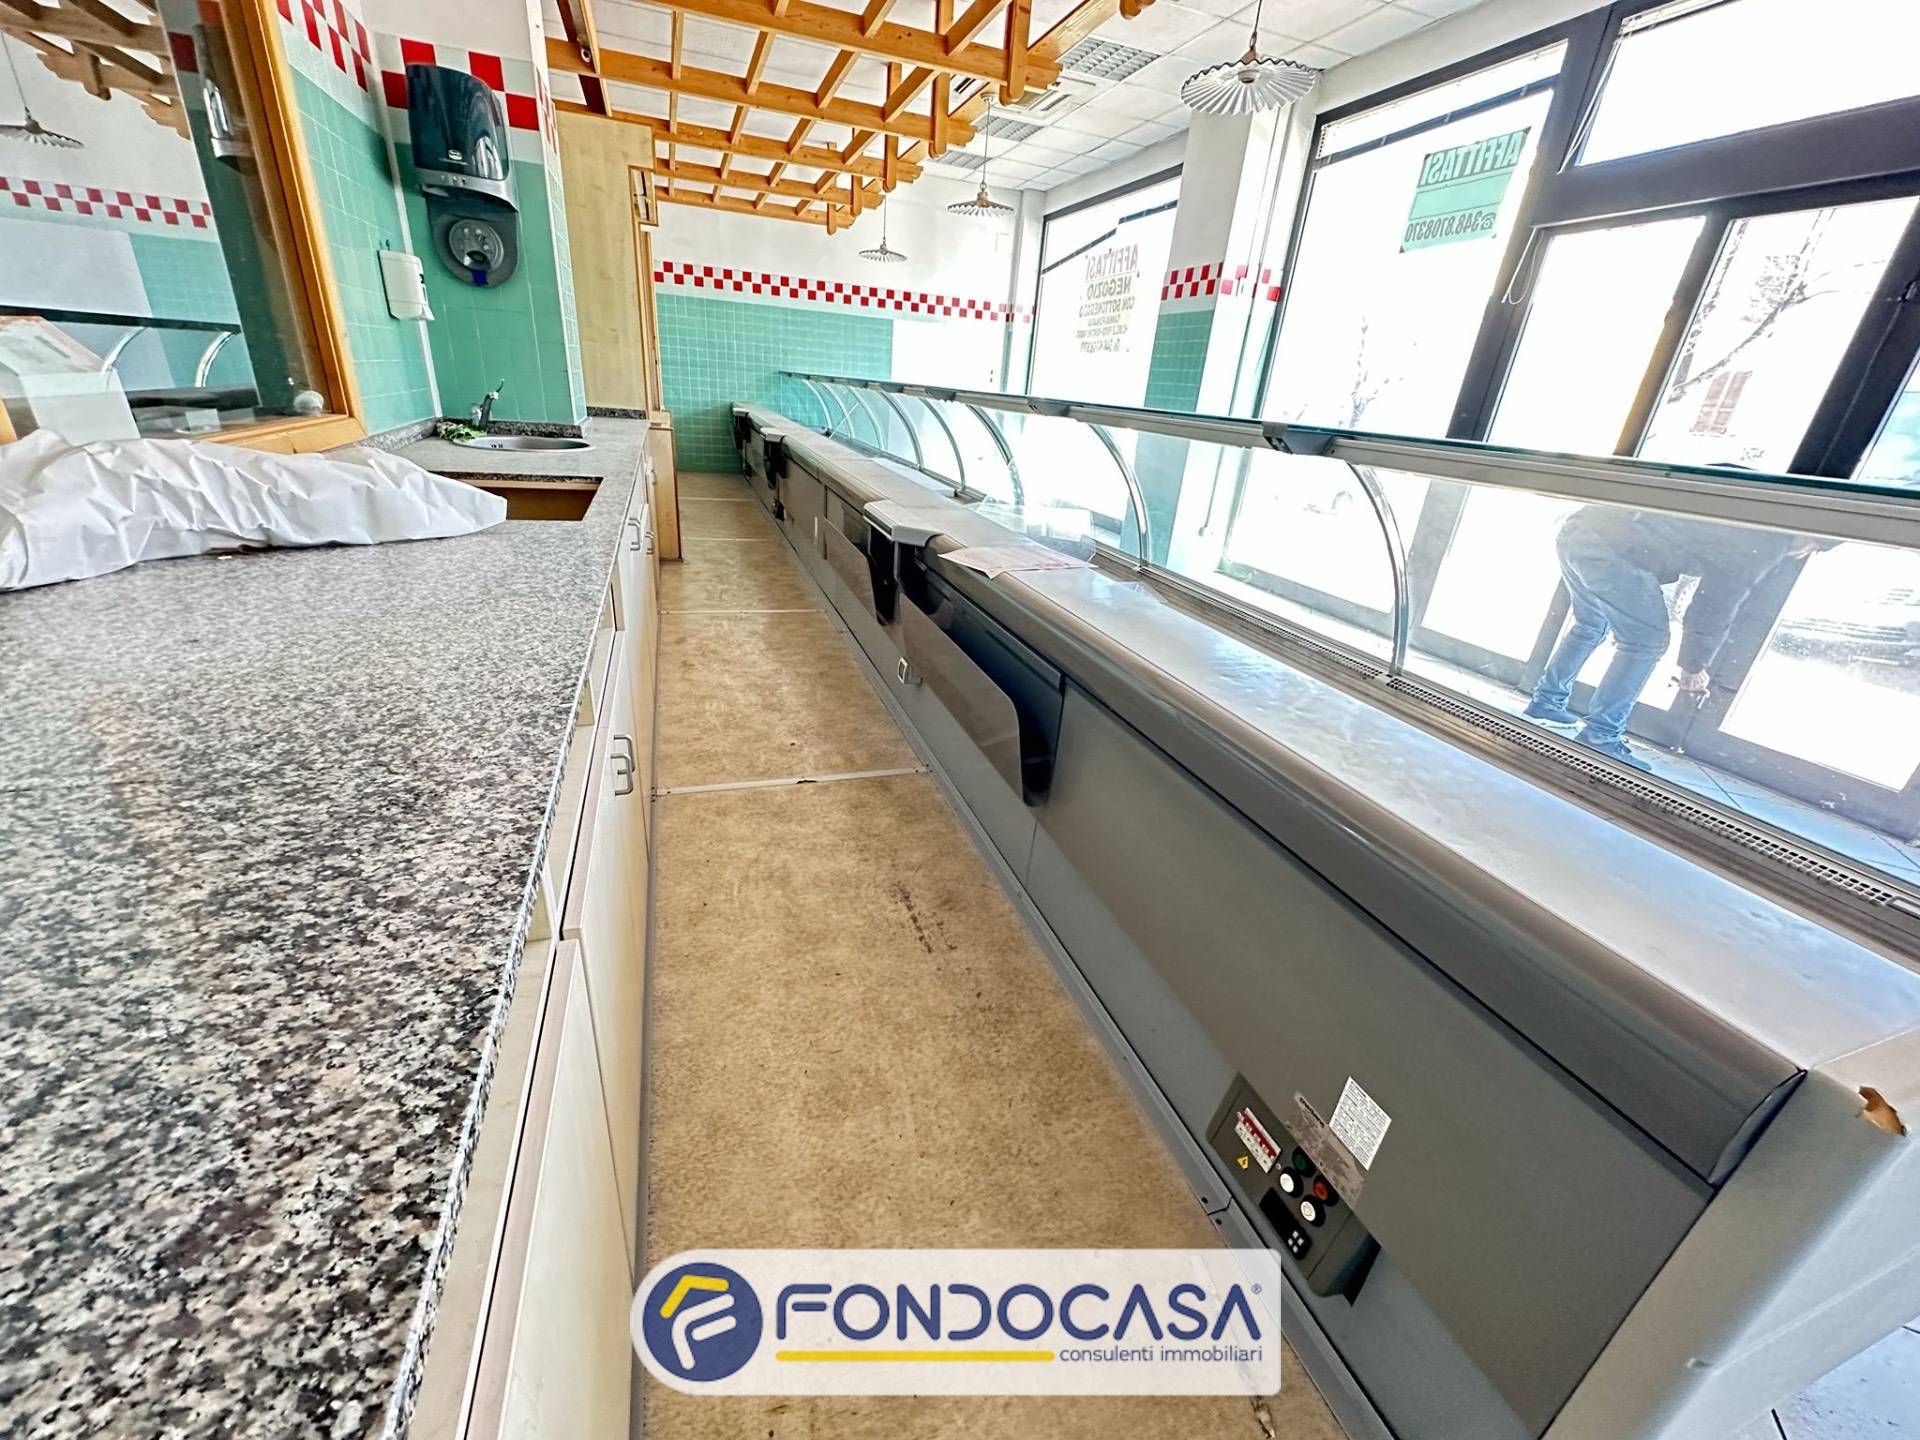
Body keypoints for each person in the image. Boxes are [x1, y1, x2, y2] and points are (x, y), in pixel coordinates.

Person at [1523, 506, 1828, 771]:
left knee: (1590, 624)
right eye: (1813, 546)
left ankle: (1547, 701)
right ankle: (1601, 735)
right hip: (1616, 549)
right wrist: (1694, 666)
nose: (1803, 553)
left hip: (1580, 529)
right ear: (1806, 531)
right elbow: (1714, 605)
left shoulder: (1748, 499)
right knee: (1645, 642)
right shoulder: (1766, 540)